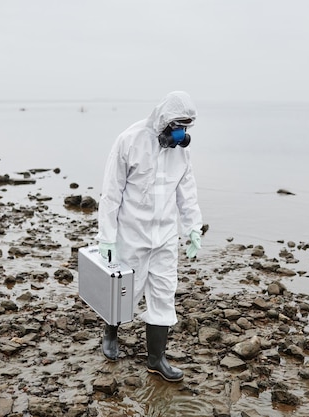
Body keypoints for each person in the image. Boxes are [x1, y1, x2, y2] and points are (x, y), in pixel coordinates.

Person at [95, 91, 203, 382]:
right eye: (177, 126)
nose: (181, 133)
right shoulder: (129, 141)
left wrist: (193, 226)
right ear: (163, 121)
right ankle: (110, 334)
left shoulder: (181, 150)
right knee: (125, 292)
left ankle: (157, 359)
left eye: (186, 128)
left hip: (165, 235)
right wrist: (107, 236)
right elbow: (111, 192)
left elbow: (186, 190)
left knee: (164, 294)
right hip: (132, 233)